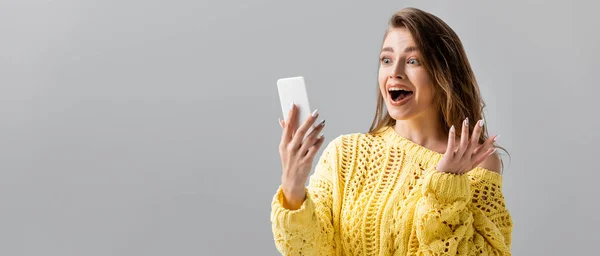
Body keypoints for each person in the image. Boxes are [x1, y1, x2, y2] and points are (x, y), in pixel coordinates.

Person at [271, 7, 513, 256]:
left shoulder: (476, 163)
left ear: (443, 73)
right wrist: (293, 187)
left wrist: (447, 185)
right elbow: (311, 250)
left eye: (412, 61)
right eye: (386, 60)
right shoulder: (346, 153)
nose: (394, 72)